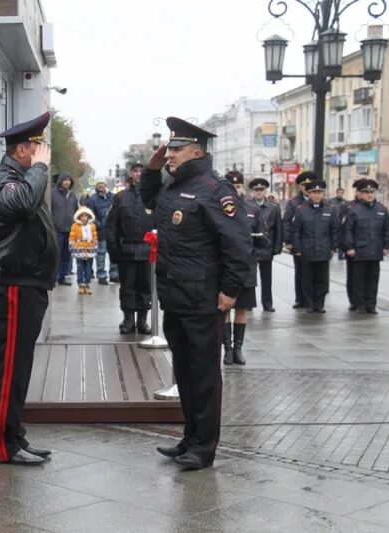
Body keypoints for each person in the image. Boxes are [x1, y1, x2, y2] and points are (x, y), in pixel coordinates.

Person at [143, 117, 253, 471]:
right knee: (185, 372)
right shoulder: (174, 186)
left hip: (204, 297)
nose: (170, 155)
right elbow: (150, 200)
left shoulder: (216, 190)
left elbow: (238, 244)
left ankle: (204, 446)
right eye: (169, 150)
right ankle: (189, 438)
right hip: (176, 295)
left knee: (204, 375)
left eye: (176, 150)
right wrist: (152, 169)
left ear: (196, 152)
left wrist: (230, 290)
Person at [0, 112, 57, 466]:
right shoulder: (6, 179)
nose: (43, 152)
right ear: (22, 150)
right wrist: (39, 168)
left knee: (20, 367)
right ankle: (3, 446)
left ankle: (14, 435)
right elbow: (23, 203)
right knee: (10, 368)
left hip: (29, 283)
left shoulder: (21, 177)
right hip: (13, 285)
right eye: (37, 146)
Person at [220, 171, 265, 366]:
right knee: (224, 308)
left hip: (246, 265)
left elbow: (263, 234)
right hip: (224, 265)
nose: (235, 189)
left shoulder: (252, 209)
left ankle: (238, 349)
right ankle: (227, 349)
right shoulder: (218, 207)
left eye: (238, 186)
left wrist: (258, 241)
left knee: (242, 308)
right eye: (232, 186)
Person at [106, 162, 154, 334]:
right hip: (127, 250)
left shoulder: (152, 197)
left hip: (148, 251)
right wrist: (113, 249)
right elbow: (112, 225)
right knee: (127, 286)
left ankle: (142, 321)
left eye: (142, 171)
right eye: (135, 171)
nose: (138, 174)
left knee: (145, 286)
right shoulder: (121, 197)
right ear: (131, 174)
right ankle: (128, 320)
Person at [342, 178, 389, 315]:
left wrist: (386, 246)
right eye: (366, 192)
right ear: (360, 194)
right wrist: (349, 247)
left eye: (372, 192)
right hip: (359, 251)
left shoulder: (382, 210)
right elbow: (347, 230)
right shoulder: (353, 210)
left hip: (375, 250)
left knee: (373, 280)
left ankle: (371, 305)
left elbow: (387, 230)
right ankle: (360, 305)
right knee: (359, 280)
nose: (369, 195)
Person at [290, 180, 339, 313]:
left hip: (324, 250)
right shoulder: (301, 210)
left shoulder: (330, 209)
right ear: (309, 194)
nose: (317, 195)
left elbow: (335, 230)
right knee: (307, 279)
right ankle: (310, 304)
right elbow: (296, 231)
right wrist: (297, 248)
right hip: (307, 250)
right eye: (314, 193)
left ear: (322, 194)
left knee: (322, 280)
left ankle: (320, 303)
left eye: (319, 193)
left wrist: (333, 247)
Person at [248, 177, 282, 312]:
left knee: (267, 278)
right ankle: (249, 303)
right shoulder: (246, 206)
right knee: (250, 277)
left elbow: (278, 228)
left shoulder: (273, 207)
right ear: (252, 191)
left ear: (265, 191)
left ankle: (267, 304)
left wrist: (277, 247)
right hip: (251, 247)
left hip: (266, 247)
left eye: (261, 190)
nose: (259, 192)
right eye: (256, 190)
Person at [283, 171, 315, 309]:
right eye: (304, 185)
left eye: (309, 185)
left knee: (316, 273)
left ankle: (315, 299)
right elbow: (286, 222)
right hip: (299, 242)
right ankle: (300, 299)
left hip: (316, 243)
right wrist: (288, 241)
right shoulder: (294, 202)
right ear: (300, 187)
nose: (306, 188)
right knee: (300, 272)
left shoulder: (320, 201)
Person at [85, 179, 118, 284]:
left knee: (113, 252)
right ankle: (101, 275)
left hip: (113, 230)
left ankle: (114, 274)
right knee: (101, 253)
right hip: (101, 230)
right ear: (96, 185)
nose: (101, 185)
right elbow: (90, 216)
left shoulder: (114, 197)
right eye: (99, 183)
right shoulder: (92, 199)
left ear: (106, 185)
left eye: (102, 183)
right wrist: (100, 225)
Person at [51, 171, 79, 286]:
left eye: (69, 180)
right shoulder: (52, 193)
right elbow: (49, 210)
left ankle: (62, 277)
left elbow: (76, 211)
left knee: (67, 255)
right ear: (60, 181)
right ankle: (53, 278)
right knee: (56, 255)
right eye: (65, 180)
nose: (67, 182)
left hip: (70, 230)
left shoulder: (72, 195)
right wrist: (53, 223)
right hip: (57, 230)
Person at [69, 206, 98, 294]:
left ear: (89, 216)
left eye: (86, 215)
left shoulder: (92, 226)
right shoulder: (75, 226)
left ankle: (87, 284)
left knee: (88, 269)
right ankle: (81, 285)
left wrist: (95, 247)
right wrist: (72, 247)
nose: (84, 217)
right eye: (82, 215)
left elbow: (95, 237)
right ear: (79, 217)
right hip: (79, 251)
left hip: (89, 251)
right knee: (80, 268)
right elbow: (72, 237)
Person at [331, 187, 347, 260]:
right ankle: (332, 250)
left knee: (341, 238)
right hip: (333, 222)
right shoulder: (331, 201)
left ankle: (340, 255)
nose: (340, 194)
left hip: (341, 223)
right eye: (338, 193)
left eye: (341, 193)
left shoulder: (345, 202)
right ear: (336, 193)